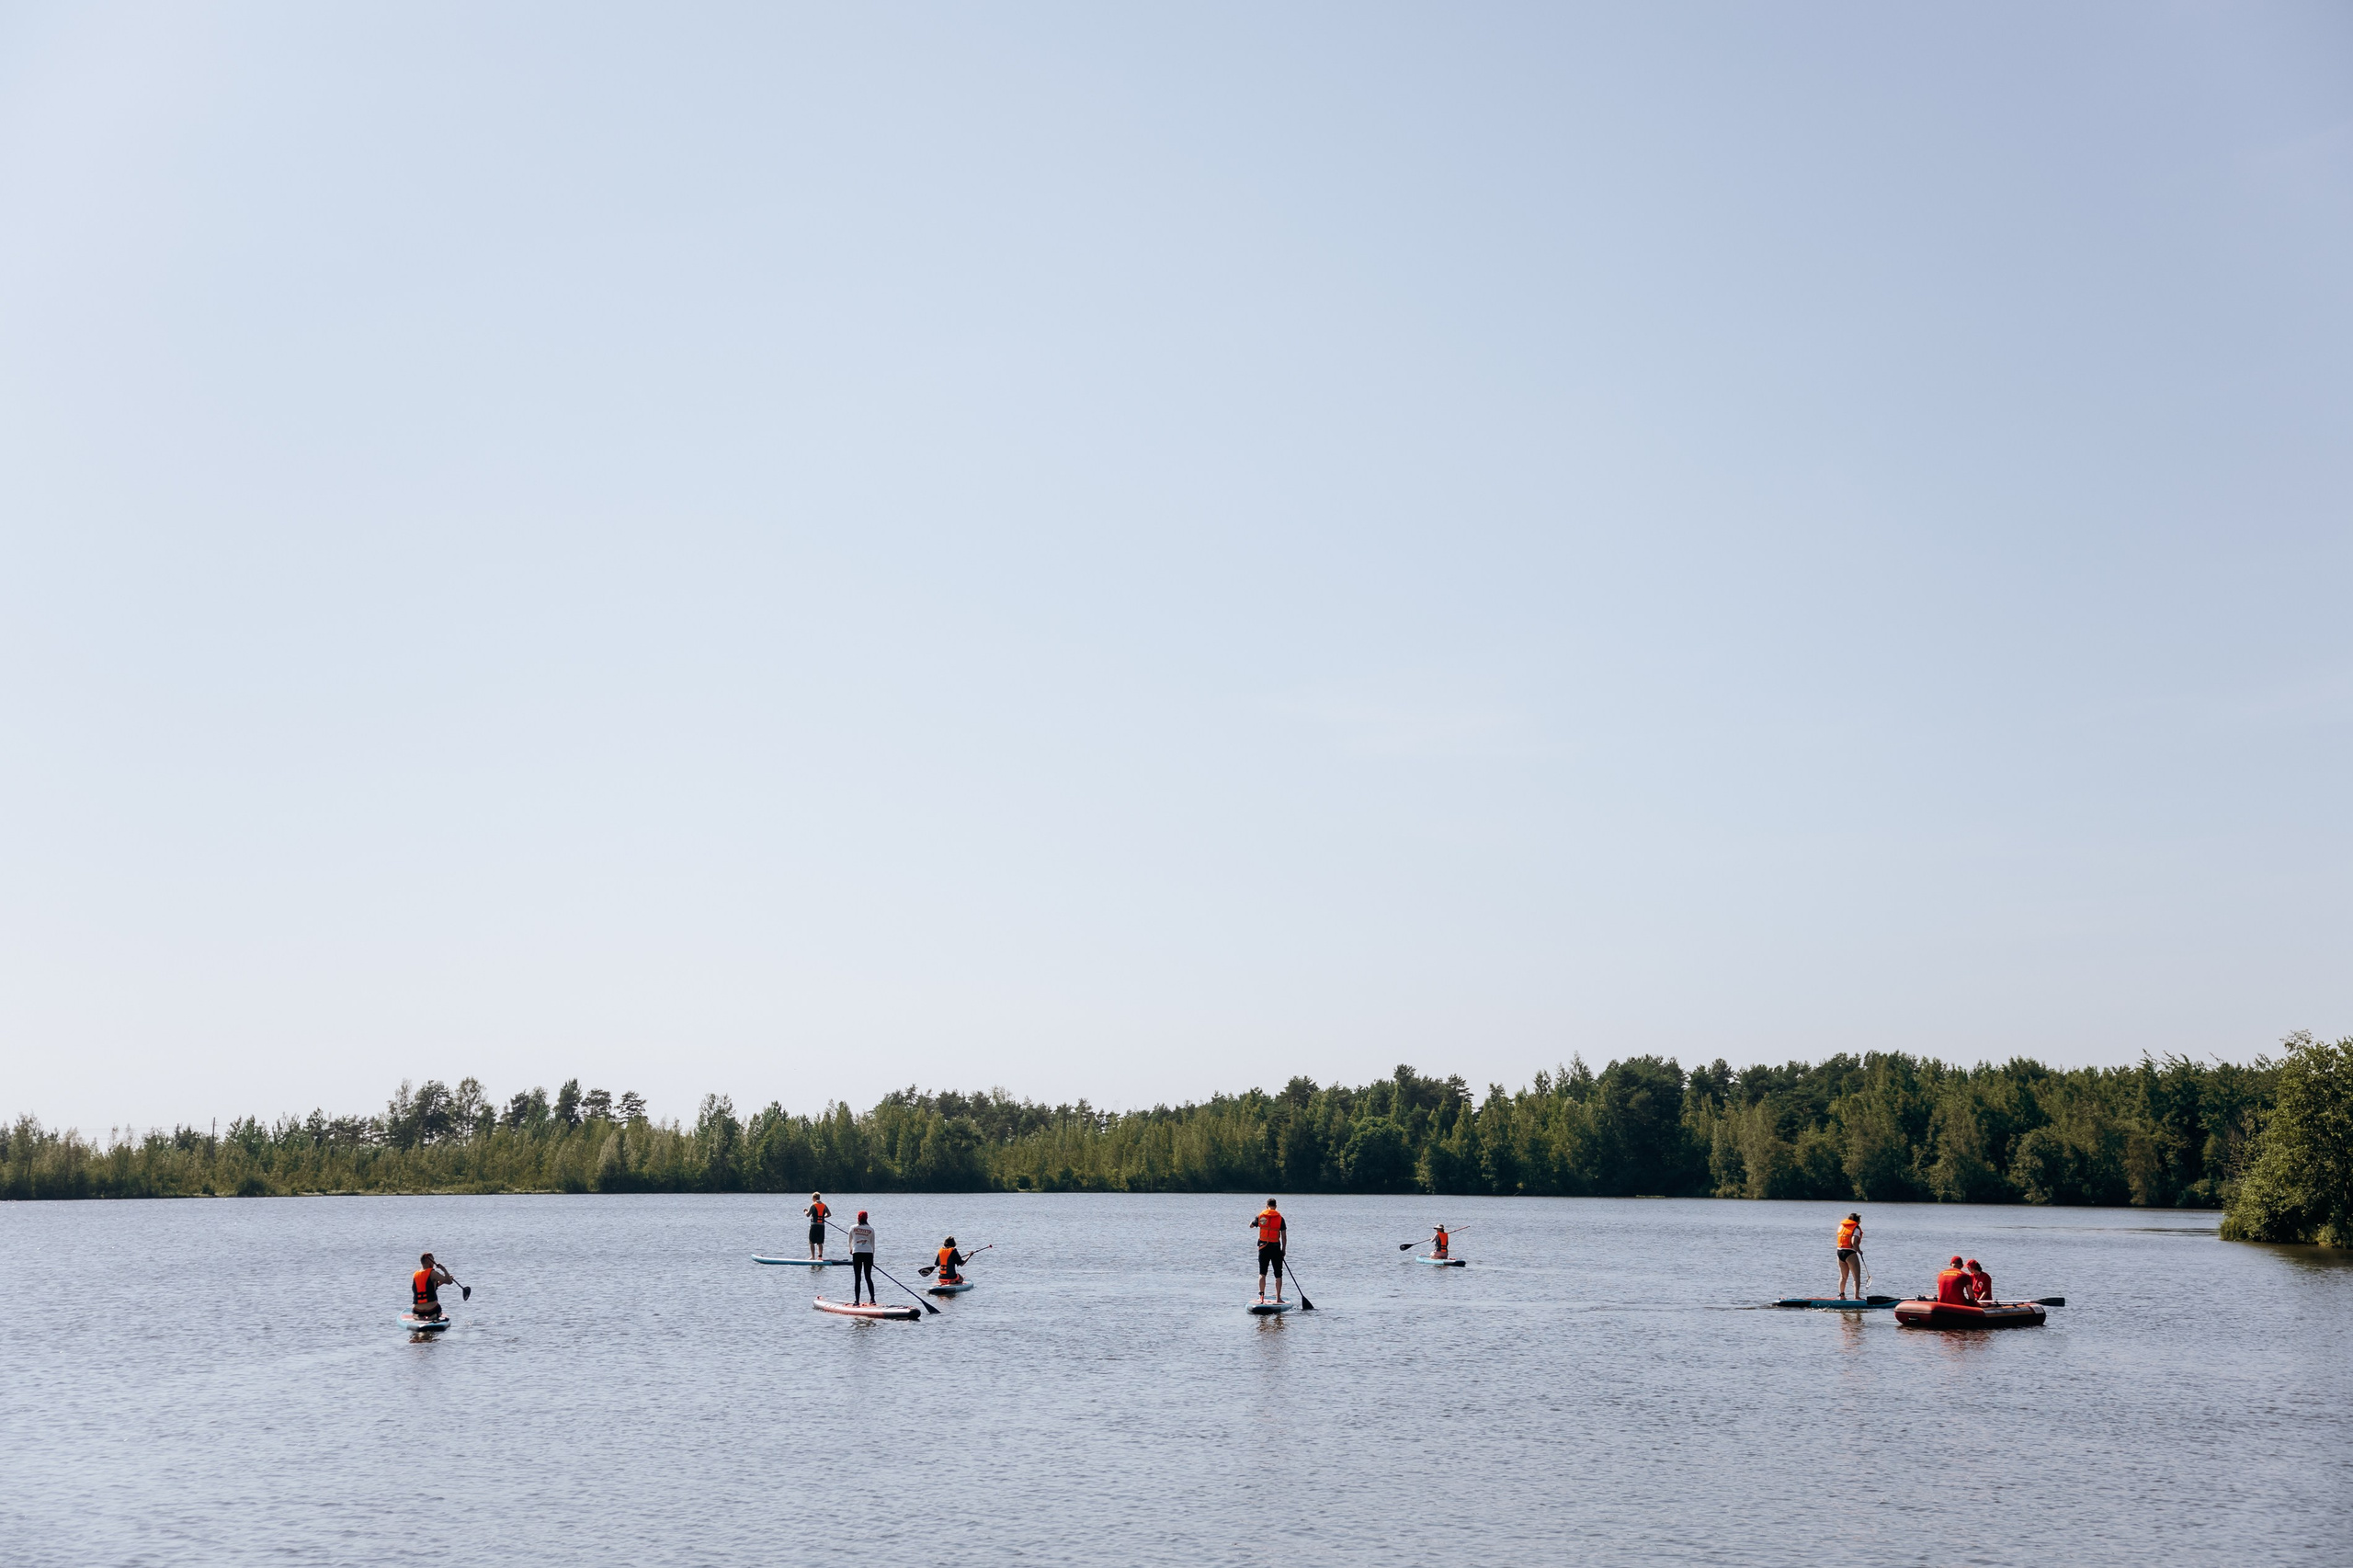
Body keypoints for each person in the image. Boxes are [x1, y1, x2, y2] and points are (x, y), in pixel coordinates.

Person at [1250, 1199, 1288, 1302]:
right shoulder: (1280, 1218)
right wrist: (1283, 1250)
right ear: (1275, 1206)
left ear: (1267, 1206)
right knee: (1278, 1274)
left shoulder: (1261, 1217)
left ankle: (1261, 1297)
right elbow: (1284, 1237)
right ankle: (1278, 1298)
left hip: (1263, 1247)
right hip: (1276, 1248)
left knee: (1262, 1272)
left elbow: (1251, 1226)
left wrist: (1255, 1220)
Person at [410, 1252, 460, 1321]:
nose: (434, 1263)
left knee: (417, 1311)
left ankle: (419, 1317)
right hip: (431, 1309)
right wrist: (443, 1269)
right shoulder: (433, 1273)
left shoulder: (415, 1275)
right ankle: (434, 1316)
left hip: (417, 1309)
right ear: (429, 1261)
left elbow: (428, 1287)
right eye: (433, 1260)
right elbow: (449, 1282)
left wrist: (442, 1281)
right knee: (439, 1310)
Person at [848, 1210, 878, 1305]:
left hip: (857, 1253)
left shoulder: (853, 1228)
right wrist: (872, 1257)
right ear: (866, 1218)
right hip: (868, 1253)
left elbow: (850, 1241)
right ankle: (872, 1300)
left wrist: (851, 1250)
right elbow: (873, 1245)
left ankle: (857, 1301)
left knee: (857, 1278)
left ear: (858, 1218)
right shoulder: (871, 1229)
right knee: (868, 1277)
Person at [1835, 1212, 1864, 1299]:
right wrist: (1859, 1251)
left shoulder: (1842, 1226)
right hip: (1850, 1253)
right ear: (1856, 1221)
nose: (1860, 1222)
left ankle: (1842, 1296)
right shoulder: (1856, 1229)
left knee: (1843, 1277)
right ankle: (1856, 1297)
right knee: (1856, 1276)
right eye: (1859, 1220)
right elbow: (1854, 1242)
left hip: (1839, 1252)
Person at [804, 1192, 831, 1259]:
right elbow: (829, 1214)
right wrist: (823, 1217)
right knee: (820, 1242)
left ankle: (812, 1257)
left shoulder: (813, 1205)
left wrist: (805, 1211)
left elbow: (808, 1215)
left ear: (814, 1198)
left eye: (812, 1198)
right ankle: (820, 1257)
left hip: (814, 1225)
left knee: (811, 1242)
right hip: (821, 1226)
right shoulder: (824, 1205)